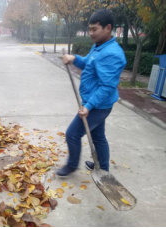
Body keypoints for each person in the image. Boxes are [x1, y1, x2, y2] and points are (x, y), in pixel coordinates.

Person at [57, 9, 126, 177]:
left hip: (98, 105)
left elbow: (107, 87)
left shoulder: (112, 54)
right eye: (89, 29)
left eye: (95, 29)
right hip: (95, 103)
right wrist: (74, 59)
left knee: (72, 134)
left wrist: (88, 106)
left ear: (108, 28)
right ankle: (102, 169)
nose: (91, 33)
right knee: (98, 137)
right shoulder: (99, 47)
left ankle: (72, 165)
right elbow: (88, 63)